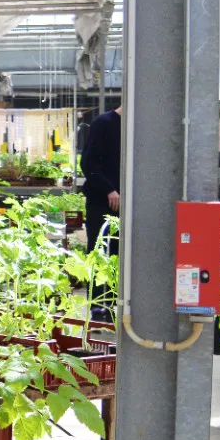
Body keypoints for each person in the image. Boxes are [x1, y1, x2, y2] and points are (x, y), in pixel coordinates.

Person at [80, 104, 121, 321]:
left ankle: (114, 303)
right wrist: (109, 189)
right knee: (98, 249)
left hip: (126, 204)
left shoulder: (136, 130)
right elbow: (88, 163)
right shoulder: (104, 124)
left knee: (117, 253)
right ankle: (97, 305)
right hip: (100, 201)